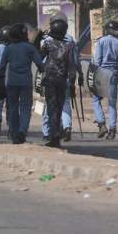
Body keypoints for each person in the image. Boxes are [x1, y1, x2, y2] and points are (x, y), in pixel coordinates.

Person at [0, 23, 44, 144]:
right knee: (25, 108)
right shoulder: (30, 48)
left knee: (13, 108)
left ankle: (14, 133)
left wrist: (0, 81)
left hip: (12, 83)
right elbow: (40, 64)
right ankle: (22, 131)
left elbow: (2, 67)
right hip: (26, 83)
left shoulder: (8, 48)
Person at [39, 17, 78, 147]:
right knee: (59, 108)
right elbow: (72, 66)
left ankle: (54, 136)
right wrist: (72, 83)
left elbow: (40, 59)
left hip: (49, 81)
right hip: (62, 81)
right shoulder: (69, 46)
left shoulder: (48, 44)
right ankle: (56, 135)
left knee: (51, 108)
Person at [92, 20, 118, 140]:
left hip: (102, 72)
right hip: (113, 74)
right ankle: (112, 130)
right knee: (112, 103)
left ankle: (101, 123)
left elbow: (97, 60)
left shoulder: (101, 41)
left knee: (96, 99)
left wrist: (93, 75)